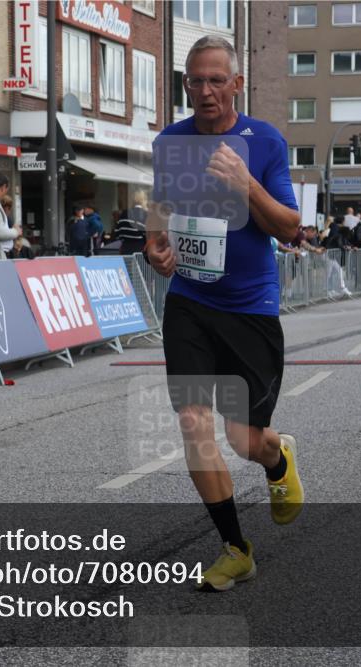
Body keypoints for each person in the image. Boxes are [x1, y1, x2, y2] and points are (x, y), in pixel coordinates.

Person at [144, 35, 303, 592]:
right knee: (193, 423)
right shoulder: (169, 142)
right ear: (184, 84)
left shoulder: (266, 142)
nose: (205, 91)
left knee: (244, 441)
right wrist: (155, 244)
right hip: (190, 302)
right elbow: (160, 211)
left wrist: (247, 184)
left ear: (237, 83)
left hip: (250, 308)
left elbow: (289, 227)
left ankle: (277, 457)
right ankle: (235, 548)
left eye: (216, 80)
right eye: (195, 80)